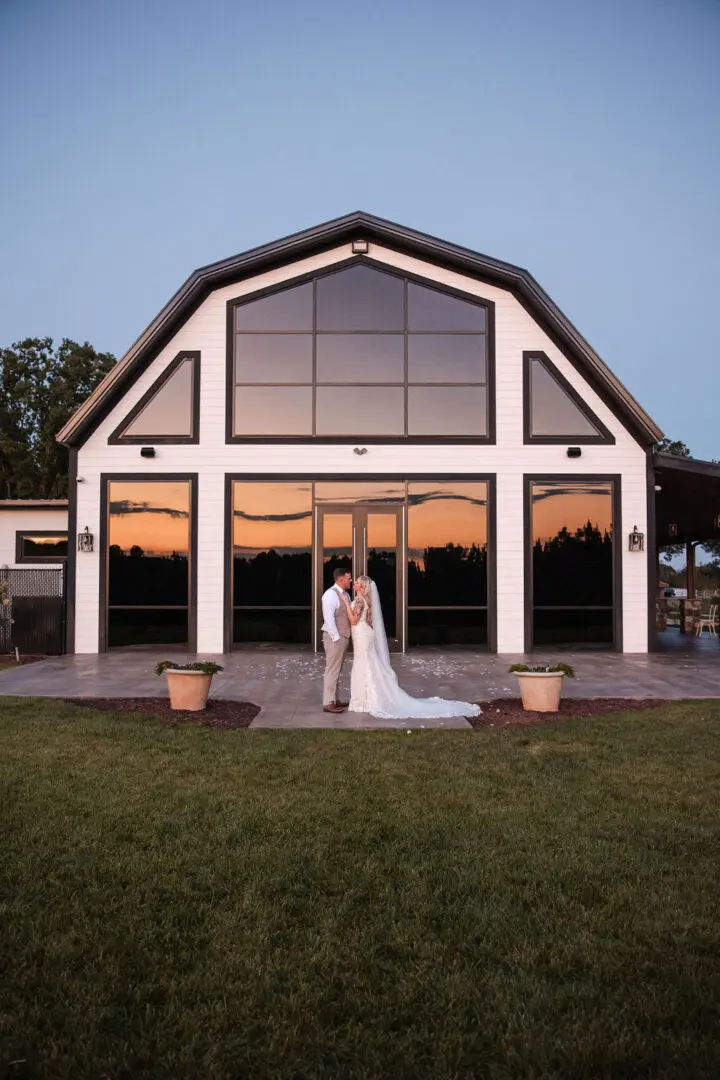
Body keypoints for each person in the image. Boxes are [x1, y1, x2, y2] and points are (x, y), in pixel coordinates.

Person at [340, 575, 481, 720]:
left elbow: (354, 620)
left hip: (362, 635)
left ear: (362, 586)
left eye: (357, 583)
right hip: (364, 635)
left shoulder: (358, 600)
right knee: (367, 664)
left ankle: (363, 702)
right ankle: (364, 700)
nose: (354, 584)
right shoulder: (365, 600)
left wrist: (345, 603)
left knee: (363, 665)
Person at [320, 567, 353, 713]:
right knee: (332, 670)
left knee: (337, 670)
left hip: (343, 637)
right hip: (335, 638)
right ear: (340, 579)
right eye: (348, 578)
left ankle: (335, 699)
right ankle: (328, 702)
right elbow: (329, 619)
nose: (350, 580)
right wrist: (337, 639)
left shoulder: (346, 594)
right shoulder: (330, 595)